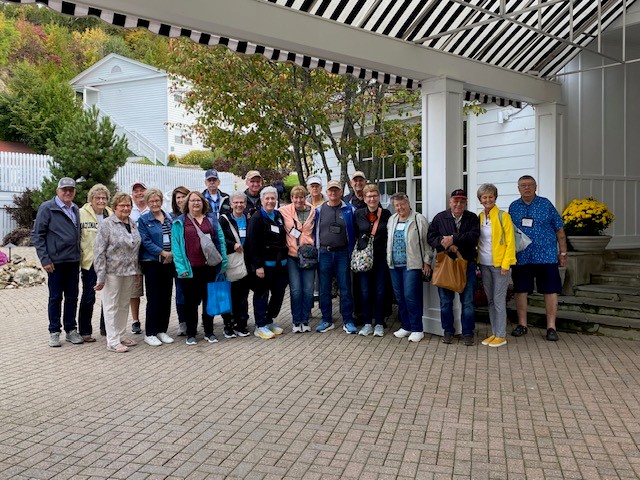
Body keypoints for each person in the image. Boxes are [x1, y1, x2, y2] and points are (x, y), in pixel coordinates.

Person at [508, 175, 567, 341]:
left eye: (530, 185)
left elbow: (559, 229)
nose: (527, 188)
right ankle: (522, 325)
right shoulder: (514, 207)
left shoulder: (545, 204)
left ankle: (551, 327)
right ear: (518, 188)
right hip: (522, 257)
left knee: (550, 290)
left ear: (536, 187)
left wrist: (563, 253)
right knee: (521, 290)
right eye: (523, 185)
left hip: (546, 256)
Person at [32, 177, 84, 347]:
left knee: (72, 297)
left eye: (71, 189)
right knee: (55, 297)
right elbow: (37, 235)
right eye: (64, 189)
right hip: (55, 262)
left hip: (73, 260)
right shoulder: (48, 208)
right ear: (57, 191)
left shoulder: (75, 208)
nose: (68, 192)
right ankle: (54, 331)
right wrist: (45, 259)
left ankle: (71, 330)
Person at [172, 191, 227, 345]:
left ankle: (209, 332)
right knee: (190, 303)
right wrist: (180, 267)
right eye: (192, 200)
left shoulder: (212, 220)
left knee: (209, 301)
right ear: (187, 203)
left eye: (198, 200)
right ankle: (191, 333)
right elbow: (176, 246)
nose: (196, 203)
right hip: (190, 269)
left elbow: (221, 241)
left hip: (209, 268)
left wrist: (223, 262)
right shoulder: (179, 222)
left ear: (203, 203)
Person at [427, 189, 480, 346]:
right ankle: (448, 331)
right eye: (455, 201)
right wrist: (445, 244)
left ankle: (468, 333)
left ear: (466, 203)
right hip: (446, 265)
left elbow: (473, 237)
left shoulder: (472, 218)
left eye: (462, 201)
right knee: (445, 302)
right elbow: (431, 237)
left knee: (468, 302)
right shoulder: (440, 218)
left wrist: (453, 238)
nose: (458, 204)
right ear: (450, 202)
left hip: (467, 265)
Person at [93, 192, 142, 353]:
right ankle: (112, 340)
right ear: (115, 207)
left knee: (124, 304)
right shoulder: (107, 224)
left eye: (128, 205)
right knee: (111, 305)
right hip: (112, 272)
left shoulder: (132, 223)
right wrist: (100, 275)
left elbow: (136, 249)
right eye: (122, 205)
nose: (126, 208)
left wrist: (137, 271)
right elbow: (99, 251)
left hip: (129, 271)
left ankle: (121, 335)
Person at [386, 193, 432, 342]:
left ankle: (417, 329)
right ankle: (406, 326)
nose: (400, 207)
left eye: (402, 204)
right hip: (394, 265)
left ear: (408, 203)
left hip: (412, 265)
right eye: (397, 205)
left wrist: (427, 261)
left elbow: (426, 243)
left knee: (411, 296)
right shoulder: (392, 219)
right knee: (400, 297)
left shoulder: (418, 219)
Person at [313, 180, 357, 334]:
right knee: (324, 289)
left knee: (345, 288)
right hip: (324, 253)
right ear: (327, 192)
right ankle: (326, 320)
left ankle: (348, 320)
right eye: (331, 190)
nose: (333, 193)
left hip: (343, 253)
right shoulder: (318, 210)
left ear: (341, 192)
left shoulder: (349, 209)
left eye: (336, 190)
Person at [245, 187, 289, 339]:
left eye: (273, 198)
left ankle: (269, 320)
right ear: (262, 200)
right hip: (264, 266)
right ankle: (260, 325)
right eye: (267, 198)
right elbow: (252, 244)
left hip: (280, 264)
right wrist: (257, 266)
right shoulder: (256, 218)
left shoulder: (278, 215)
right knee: (262, 295)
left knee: (278, 294)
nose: (270, 201)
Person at [477, 184, 516, 348]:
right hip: (484, 264)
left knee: (499, 300)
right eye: (484, 197)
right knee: (491, 300)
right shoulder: (479, 217)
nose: (487, 200)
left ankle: (501, 335)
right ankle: (494, 332)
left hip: (500, 266)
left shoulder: (503, 216)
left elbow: (510, 242)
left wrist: (506, 264)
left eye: (490, 197)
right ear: (480, 199)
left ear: (495, 198)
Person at [138, 188, 175, 347]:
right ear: (147, 203)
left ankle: (162, 330)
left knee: (166, 297)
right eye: (151, 201)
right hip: (152, 262)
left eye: (157, 200)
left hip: (169, 262)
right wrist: (162, 253)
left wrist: (171, 254)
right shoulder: (143, 220)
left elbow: (175, 237)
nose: (155, 203)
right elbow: (145, 241)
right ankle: (150, 333)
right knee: (154, 298)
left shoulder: (169, 218)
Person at [354, 185, 392, 337]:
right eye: (369, 196)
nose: (372, 199)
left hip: (381, 259)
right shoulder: (358, 214)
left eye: (374, 196)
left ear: (379, 197)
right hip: (364, 259)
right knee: (365, 291)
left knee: (380, 291)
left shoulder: (386, 214)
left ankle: (379, 323)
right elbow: (354, 234)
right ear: (364, 198)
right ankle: (367, 323)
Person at [77, 183, 112, 342]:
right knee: (88, 296)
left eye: (104, 198)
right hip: (89, 261)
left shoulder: (111, 214)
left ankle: (106, 328)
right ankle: (85, 331)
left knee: (109, 296)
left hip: (108, 262)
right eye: (97, 198)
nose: (101, 201)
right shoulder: (81, 213)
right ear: (91, 199)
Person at [280, 186, 316, 333]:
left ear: (305, 198)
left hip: (308, 256)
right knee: (296, 290)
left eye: (301, 197)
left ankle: (305, 319)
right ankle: (296, 321)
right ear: (292, 198)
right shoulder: (284, 211)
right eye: (296, 197)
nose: (299, 200)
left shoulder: (313, 211)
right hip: (292, 256)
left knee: (308, 290)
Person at [219, 192, 251, 338]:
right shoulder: (224, 220)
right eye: (236, 202)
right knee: (230, 294)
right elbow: (220, 238)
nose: (239, 205)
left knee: (243, 296)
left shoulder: (249, 219)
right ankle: (228, 325)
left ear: (245, 204)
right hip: (232, 262)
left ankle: (241, 324)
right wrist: (233, 244)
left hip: (246, 263)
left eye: (242, 202)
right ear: (231, 204)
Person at [129, 181, 148, 335]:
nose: (139, 193)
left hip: (150, 254)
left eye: (142, 190)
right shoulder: (129, 210)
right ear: (132, 194)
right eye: (136, 191)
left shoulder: (152, 207)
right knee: (135, 290)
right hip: (134, 255)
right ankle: (135, 320)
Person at [170, 186, 190, 336]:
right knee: (181, 292)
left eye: (183, 196)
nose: (181, 200)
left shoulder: (195, 215)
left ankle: (193, 320)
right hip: (179, 261)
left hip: (194, 260)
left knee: (194, 293)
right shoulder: (171, 217)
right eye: (178, 197)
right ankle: (183, 322)